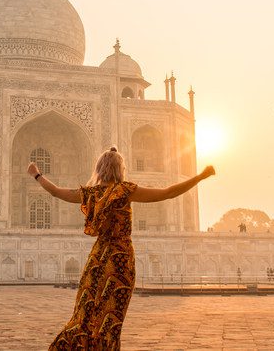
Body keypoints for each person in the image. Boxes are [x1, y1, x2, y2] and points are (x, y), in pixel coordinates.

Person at [28, 146, 215, 349]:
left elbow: (56, 192)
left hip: (97, 260)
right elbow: (168, 193)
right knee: (111, 321)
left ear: (98, 169)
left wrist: (37, 174)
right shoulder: (125, 191)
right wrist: (200, 177)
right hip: (120, 260)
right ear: (120, 169)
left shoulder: (90, 193)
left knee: (85, 314)